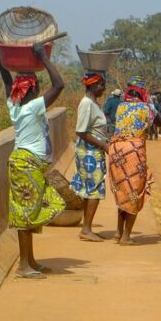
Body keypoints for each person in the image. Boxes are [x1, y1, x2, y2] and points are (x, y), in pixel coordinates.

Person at [0, 42, 66, 279]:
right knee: (26, 213)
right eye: (37, 86)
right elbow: (59, 85)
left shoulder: (15, 106)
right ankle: (23, 266)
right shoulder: (33, 107)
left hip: (25, 164)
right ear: (33, 90)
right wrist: (42, 57)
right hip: (26, 164)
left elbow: (6, 80)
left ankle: (30, 260)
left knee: (31, 210)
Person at [108, 76, 155, 245]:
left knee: (122, 191)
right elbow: (153, 123)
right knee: (134, 193)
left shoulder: (120, 106)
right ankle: (126, 236)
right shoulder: (146, 108)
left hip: (116, 151)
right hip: (133, 152)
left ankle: (118, 232)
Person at [70, 72, 109, 242]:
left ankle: (87, 227)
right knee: (94, 190)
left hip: (92, 151)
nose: (103, 88)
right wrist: (103, 145)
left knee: (90, 189)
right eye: (101, 85)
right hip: (89, 152)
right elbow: (81, 131)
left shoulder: (94, 104)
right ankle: (86, 229)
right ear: (93, 86)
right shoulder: (87, 104)